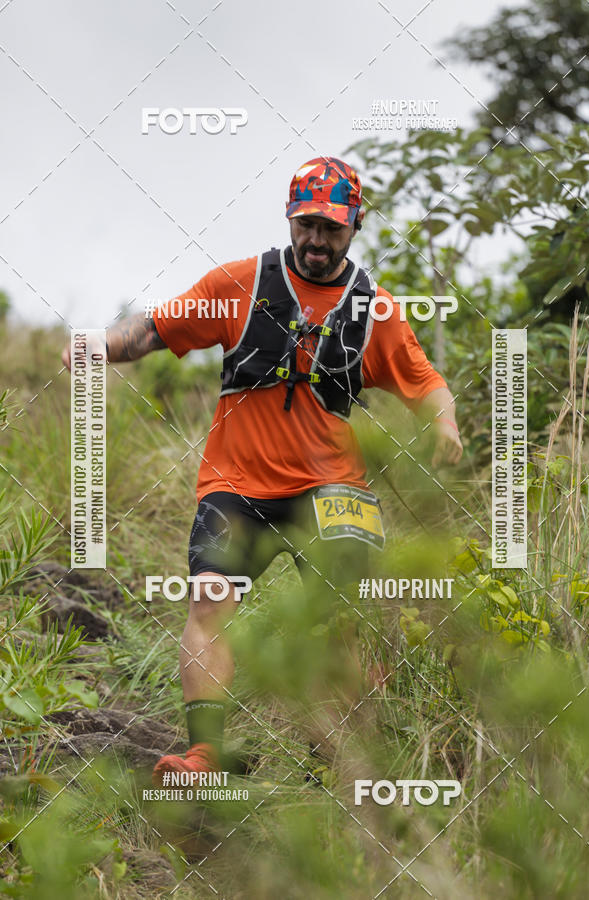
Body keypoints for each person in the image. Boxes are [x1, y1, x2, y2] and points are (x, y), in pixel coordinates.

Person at [62, 156, 462, 785]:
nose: (317, 240)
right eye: (307, 225)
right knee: (210, 600)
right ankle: (205, 755)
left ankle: (337, 759)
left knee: (341, 617)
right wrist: (100, 344)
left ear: (355, 225)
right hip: (238, 483)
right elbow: (153, 331)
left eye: (332, 227)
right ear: (290, 219)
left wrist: (446, 423)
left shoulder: (374, 310)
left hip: (336, 489)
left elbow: (426, 382)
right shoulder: (240, 284)